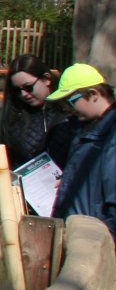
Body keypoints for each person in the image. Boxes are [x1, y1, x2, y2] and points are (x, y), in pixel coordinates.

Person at [48, 63, 116, 237]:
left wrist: (105, 241)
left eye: (71, 101)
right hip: (79, 234)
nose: (68, 109)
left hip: (94, 240)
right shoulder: (86, 129)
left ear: (94, 94)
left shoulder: (110, 136)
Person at [0, 53, 76, 169]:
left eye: (28, 87)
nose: (24, 94)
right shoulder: (10, 115)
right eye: (17, 90)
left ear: (46, 79)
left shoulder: (69, 111)